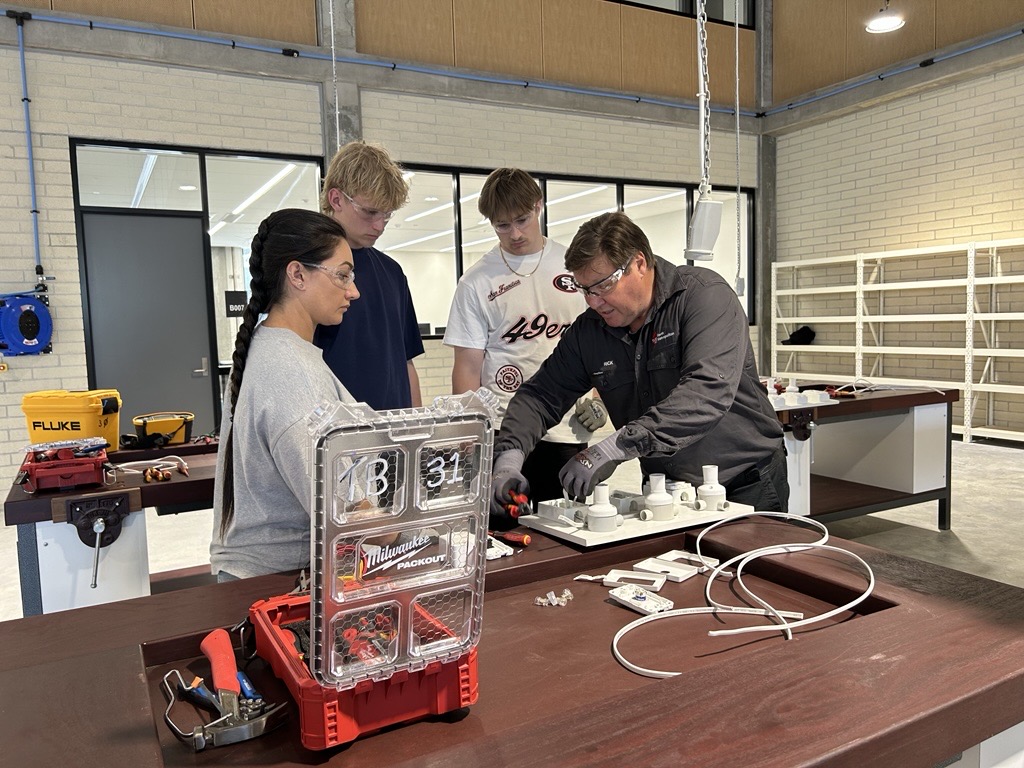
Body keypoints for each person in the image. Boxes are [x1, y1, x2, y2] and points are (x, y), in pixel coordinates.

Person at [491, 211, 788, 516]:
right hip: (665, 489)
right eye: (585, 290)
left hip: (746, 482)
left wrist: (615, 447)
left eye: (603, 286)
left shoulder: (704, 298)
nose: (593, 301)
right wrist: (509, 458)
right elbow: (541, 395)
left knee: (751, 564)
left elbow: (706, 392)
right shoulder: (590, 331)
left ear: (639, 264)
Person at [443, 168, 607, 513]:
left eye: (522, 219)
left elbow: (601, 341)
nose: (515, 233)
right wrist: (468, 432)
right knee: (505, 530)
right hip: (504, 427)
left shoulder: (574, 267)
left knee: (566, 528)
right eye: (503, 225)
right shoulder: (477, 282)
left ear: (539, 206)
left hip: (568, 428)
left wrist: (599, 396)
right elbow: (468, 366)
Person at [210, 209, 361, 580]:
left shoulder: (269, 347)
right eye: (342, 275)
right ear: (297, 274)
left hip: (258, 575)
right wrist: (418, 527)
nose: (353, 291)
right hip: (276, 584)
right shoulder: (292, 373)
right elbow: (345, 512)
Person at [314, 140, 424, 409]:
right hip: (337, 435)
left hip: (393, 436)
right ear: (336, 199)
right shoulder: (308, 270)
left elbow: (406, 361)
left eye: (387, 215)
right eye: (370, 212)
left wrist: (417, 424)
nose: (379, 225)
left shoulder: (392, 272)